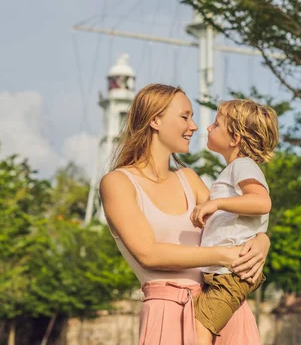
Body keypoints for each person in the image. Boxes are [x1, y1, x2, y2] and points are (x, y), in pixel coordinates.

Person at [99, 84, 269, 345]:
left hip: (220, 309)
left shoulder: (189, 179)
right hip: (166, 313)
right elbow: (149, 254)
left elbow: (234, 225)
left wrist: (262, 240)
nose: (194, 126)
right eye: (185, 116)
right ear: (155, 119)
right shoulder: (118, 183)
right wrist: (224, 255)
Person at [190, 99, 279, 345]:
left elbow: (262, 203)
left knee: (200, 330)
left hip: (230, 274)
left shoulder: (243, 165)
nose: (208, 128)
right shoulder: (234, 169)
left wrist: (216, 204)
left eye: (216, 124)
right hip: (222, 273)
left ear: (235, 139)